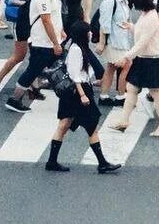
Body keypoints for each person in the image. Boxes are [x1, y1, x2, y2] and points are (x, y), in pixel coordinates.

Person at [46, 20, 121, 174]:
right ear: (82, 34)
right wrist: (83, 95)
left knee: (65, 124)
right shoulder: (76, 50)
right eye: (88, 31)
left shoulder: (78, 47)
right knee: (92, 126)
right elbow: (74, 75)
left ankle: (52, 161)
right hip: (78, 93)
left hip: (74, 92)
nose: (91, 33)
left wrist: (91, 82)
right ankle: (102, 163)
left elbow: (78, 73)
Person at [110, 0, 159, 137]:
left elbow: (143, 42)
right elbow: (142, 33)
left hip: (153, 59)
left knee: (156, 93)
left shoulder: (150, 16)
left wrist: (126, 57)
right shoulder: (147, 14)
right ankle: (124, 121)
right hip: (145, 58)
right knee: (132, 88)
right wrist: (131, 27)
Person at [5, 0, 64, 113]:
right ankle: (14, 99)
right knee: (33, 71)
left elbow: (56, 16)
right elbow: (46, 20)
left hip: (50, 41)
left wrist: (61, 31)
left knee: (45, 68)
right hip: (42, 43)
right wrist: (56, 43)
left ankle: (37, 91)